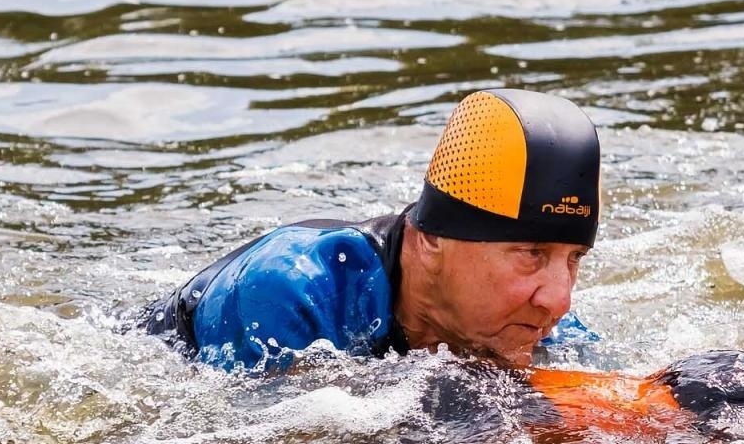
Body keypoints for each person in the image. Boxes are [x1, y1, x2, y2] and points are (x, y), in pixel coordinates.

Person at [144, 87, 601, 372]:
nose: (558, 301)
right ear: (433, 240)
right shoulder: (288, 290)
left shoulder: (541, 325)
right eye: (531, 253)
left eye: (574, 258)